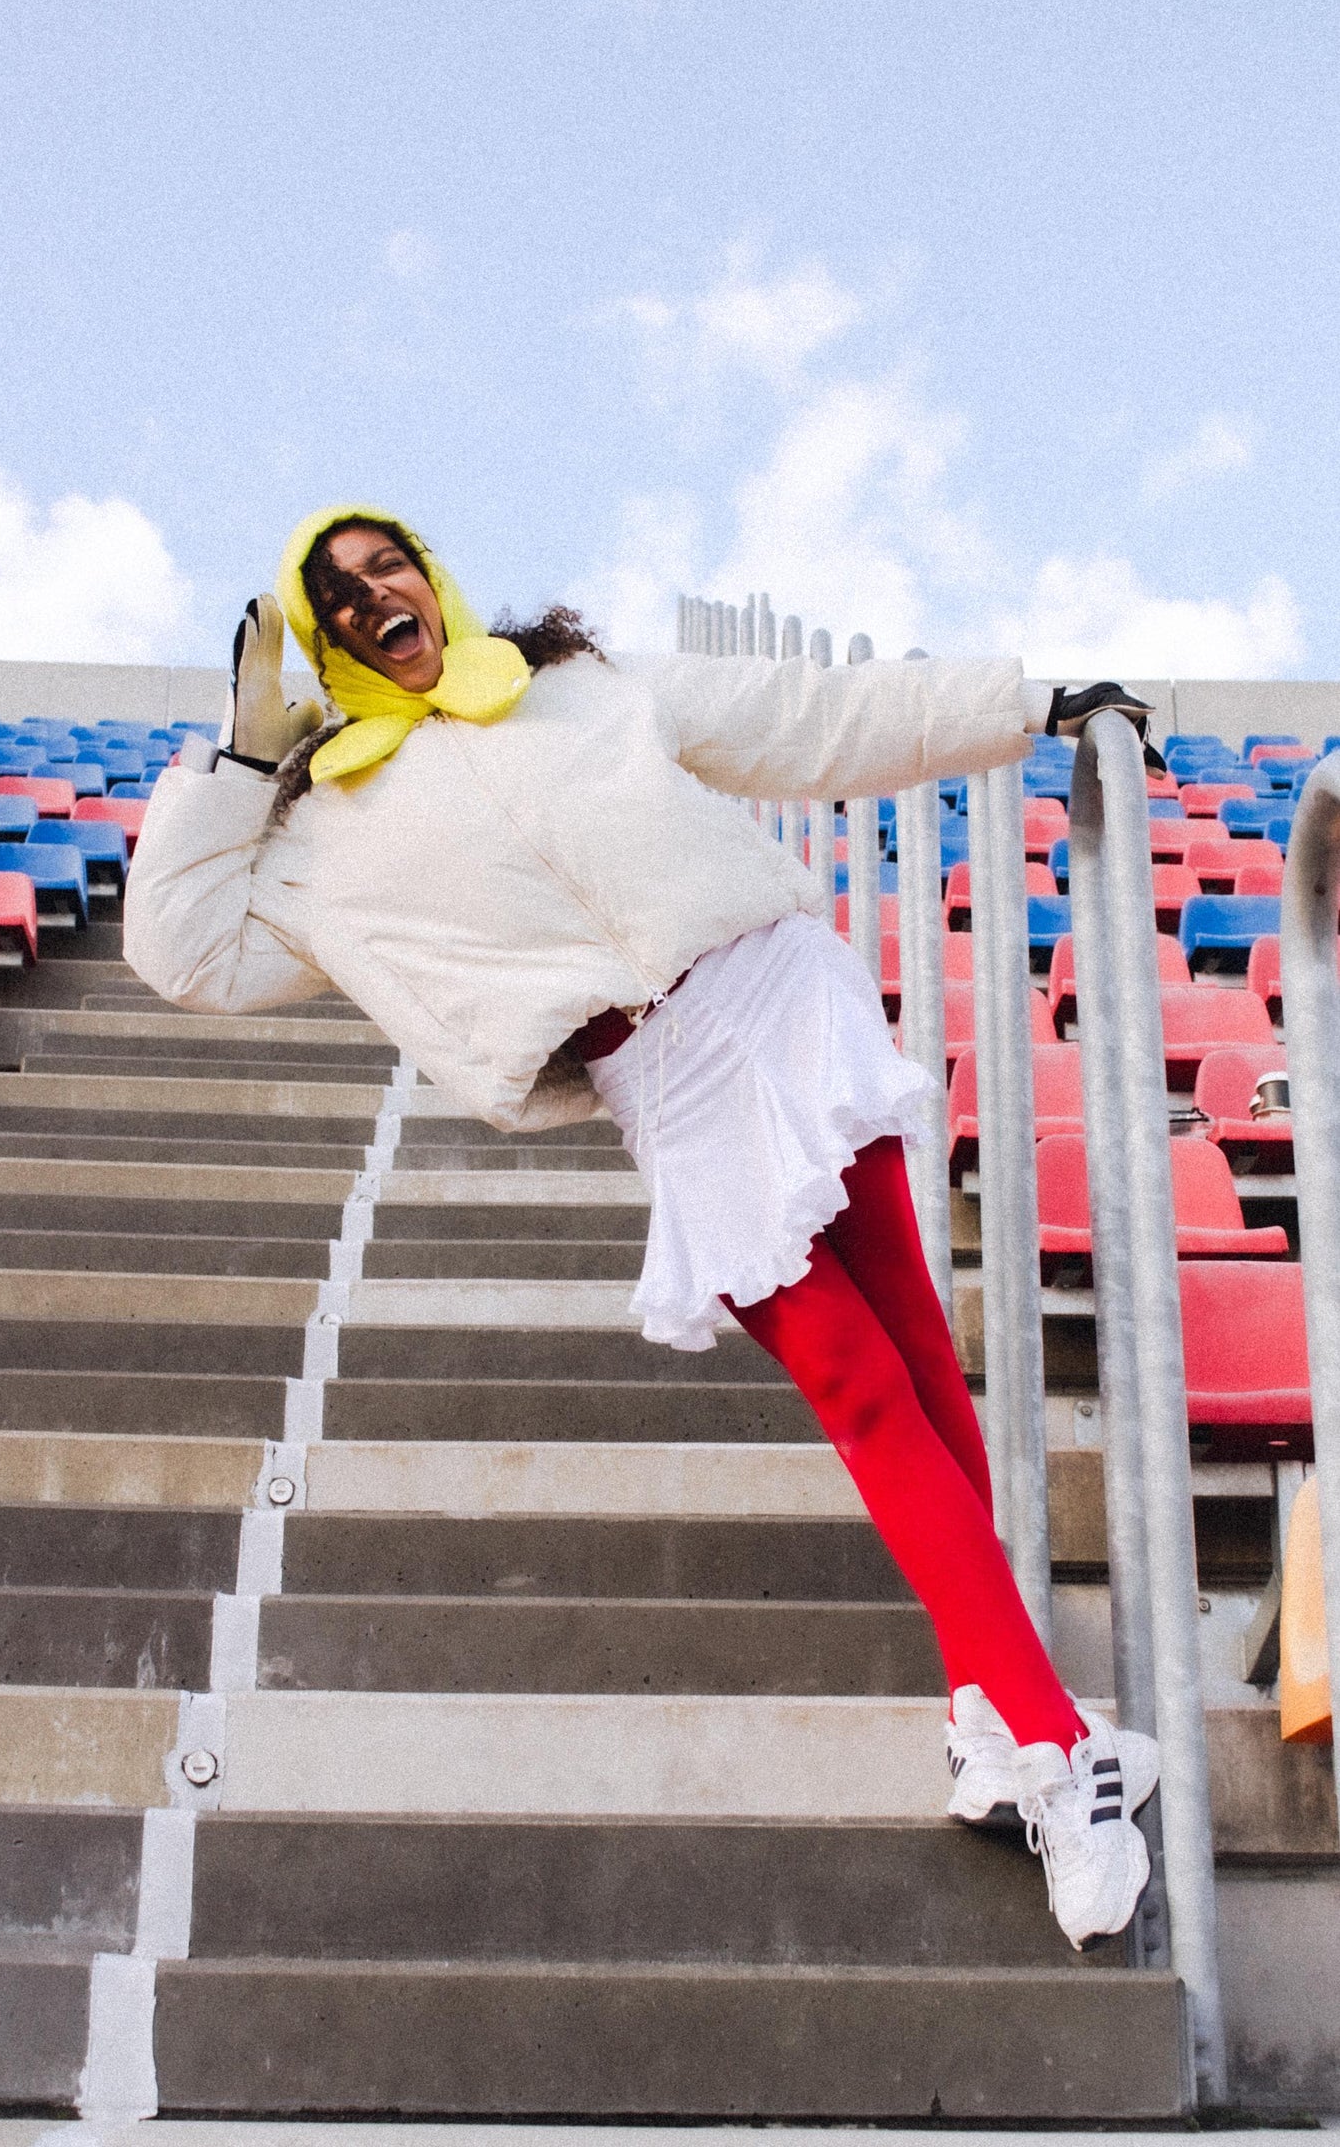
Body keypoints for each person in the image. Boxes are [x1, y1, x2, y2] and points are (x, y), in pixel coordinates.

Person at [125, 502, 1162, 1949]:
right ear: (315, 646)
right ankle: (1059, 1751)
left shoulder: (578, 684)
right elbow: (180, 953)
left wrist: (1029, 703)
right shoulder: (318, 843)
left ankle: (1013, 1730)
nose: (375, 601)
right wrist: (241, 760)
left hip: (773, 995)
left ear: (430, 570)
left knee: (917, 1363)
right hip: (664, 1082)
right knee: (859, 1392)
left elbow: (808, 715)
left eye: (386, 566)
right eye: (335, 598)